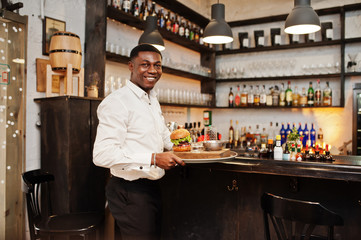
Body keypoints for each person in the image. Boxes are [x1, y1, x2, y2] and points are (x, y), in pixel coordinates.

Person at [93, 44, 185, 240]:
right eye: (145, 64)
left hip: (150, 187)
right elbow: (102, 155)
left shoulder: (151, 98)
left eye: (157, 65)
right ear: (131, 66)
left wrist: (183, 145)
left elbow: (162, 135)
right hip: (129, 191)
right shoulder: (117, 102)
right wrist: (153, 158)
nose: (152, 70)